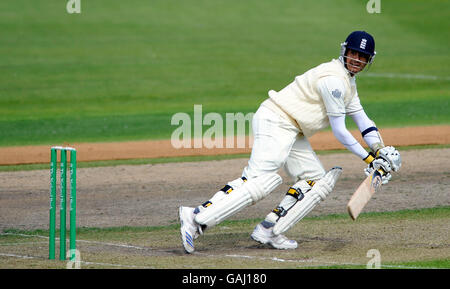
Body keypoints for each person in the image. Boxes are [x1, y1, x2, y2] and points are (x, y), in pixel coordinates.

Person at [179, 31, 402, 253]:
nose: (357, 60)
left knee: (314, 179)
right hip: (276, 120)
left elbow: (363, 121)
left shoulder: (348, 84)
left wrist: (379, 149)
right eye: (354, 54)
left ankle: (269, 228)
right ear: (345, 51)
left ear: (369, 60)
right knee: (257, 180)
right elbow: (340, 131)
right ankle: (196, 216)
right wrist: (369, 158)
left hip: (294, 129)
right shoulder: (333, 80)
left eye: (363, 57)